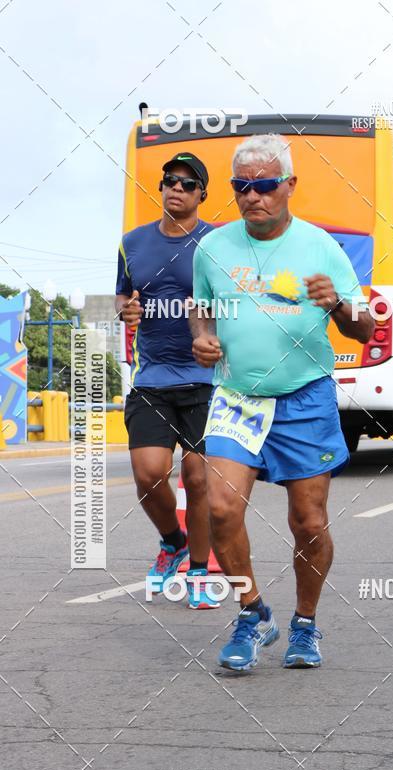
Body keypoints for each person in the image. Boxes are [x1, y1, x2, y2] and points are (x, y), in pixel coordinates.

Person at [190, 133, 373, 671]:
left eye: (265, 186)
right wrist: (201, 337)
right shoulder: (213, 248)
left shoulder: (320, 246)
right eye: (242, 187)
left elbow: (362, 329)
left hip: (304, 397)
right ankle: (252, 614)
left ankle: (306, 625)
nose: (254, 197)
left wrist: (337, 302)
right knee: (220, 507)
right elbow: (202, 308)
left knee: (309, 521)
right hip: (236, 395)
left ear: (290, 186)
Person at [115, 151, 216, 609]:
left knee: (198, 479)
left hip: (207, 381)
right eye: (169, 180)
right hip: (152, 377)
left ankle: (198, 571)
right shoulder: (132, 242)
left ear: (202, 195)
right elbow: (120, 296)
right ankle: (172, 540)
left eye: (187, 183)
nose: (176, 188)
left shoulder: (217, 243)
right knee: (149, 475)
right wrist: (125, 310)